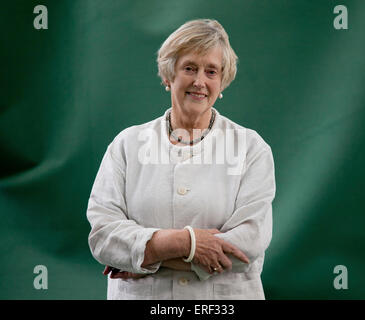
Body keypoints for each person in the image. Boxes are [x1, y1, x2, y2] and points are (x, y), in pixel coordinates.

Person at [86, 19, 276, 300]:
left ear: (221, 81)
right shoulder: (126, 145)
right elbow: (103, 236)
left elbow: (248, 245)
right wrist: (189, 243)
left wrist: (147, 258)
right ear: (168, 75)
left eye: (211, 71)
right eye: (189, 68)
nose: (200, 81)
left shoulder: (251, 148)